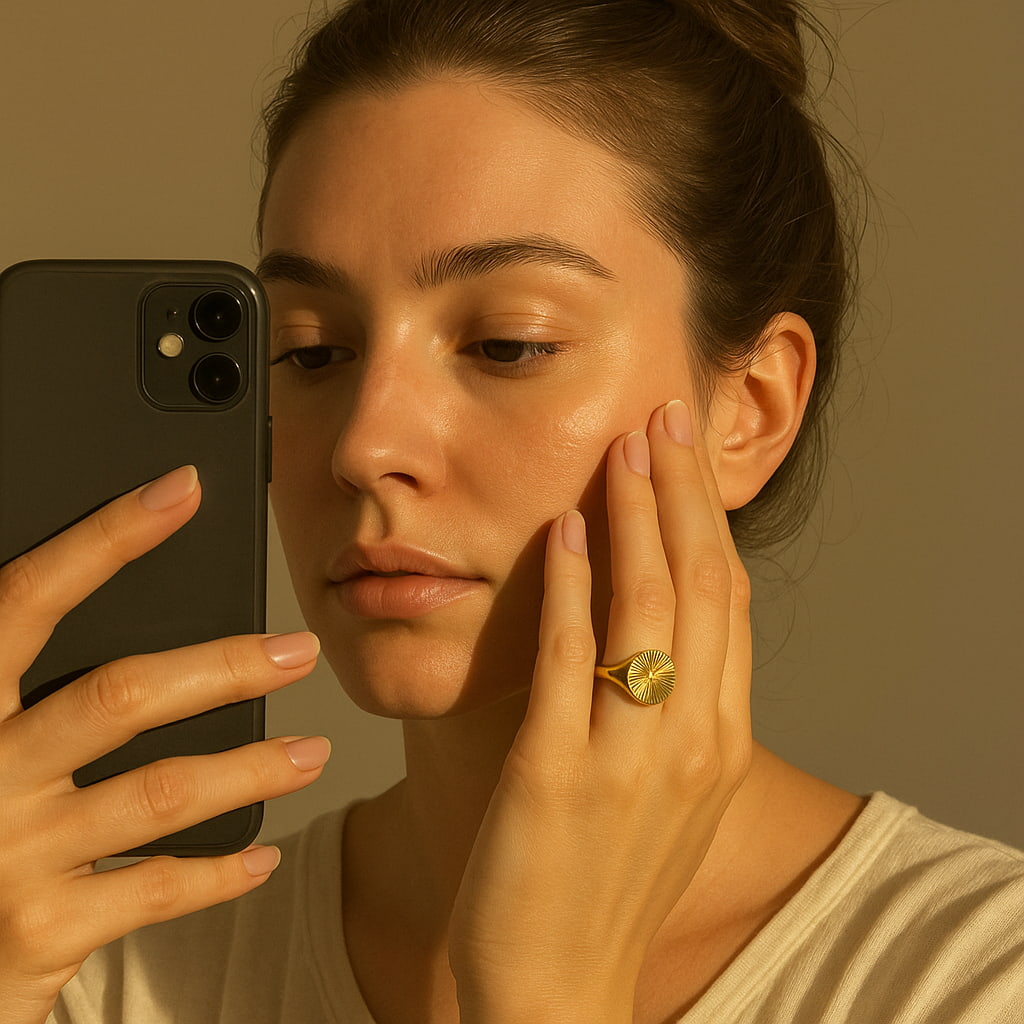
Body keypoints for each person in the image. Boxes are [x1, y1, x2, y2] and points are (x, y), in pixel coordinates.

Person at [0, 0, 1020, 1021]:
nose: (363, 446)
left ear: (748, 411)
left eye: (508, 344)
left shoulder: (973, 981)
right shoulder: (100, 973)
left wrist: (549, 988)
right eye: (311, 351)